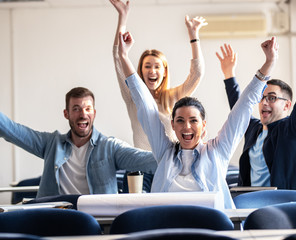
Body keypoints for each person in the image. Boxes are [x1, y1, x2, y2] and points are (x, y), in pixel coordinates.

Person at [117, 30, 278, 209]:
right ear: (172, 125)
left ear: (203, 125)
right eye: (180, 121)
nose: (186, 126)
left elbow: (244, 106)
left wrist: (269, 63)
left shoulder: (217, 151)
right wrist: (124, 56)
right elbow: (144, 103)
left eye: (193, 120)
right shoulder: (165, 152)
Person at [216, 20, 296, 191]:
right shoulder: (254, 129)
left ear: (287, 106)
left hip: (286, 207)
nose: (264, 102)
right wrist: (229, 75)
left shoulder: (293, 128)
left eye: (271, 98)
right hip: (250, 206)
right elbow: (239, 107)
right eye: (262, 97)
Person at [0, 87, 157, 198]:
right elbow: (13, 131)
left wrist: (179, 151)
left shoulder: (109, 147)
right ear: (66, 114)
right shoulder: (51, 144)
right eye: (76, 109)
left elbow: (147, 160)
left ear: (94, 114)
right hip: (54, 218)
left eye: (88, 109)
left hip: (96, 220)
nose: (83, 114)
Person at [110, 0, 207, 150]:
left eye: (157, 66)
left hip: (169, 164)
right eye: (147, 66)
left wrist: (193, 36)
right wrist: (122, 16)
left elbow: (197, 74)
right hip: (142, 165)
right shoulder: (132, 97)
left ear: (164, 72)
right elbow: (118, 56)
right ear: (141, 70)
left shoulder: (174, 97)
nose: (152, 71)